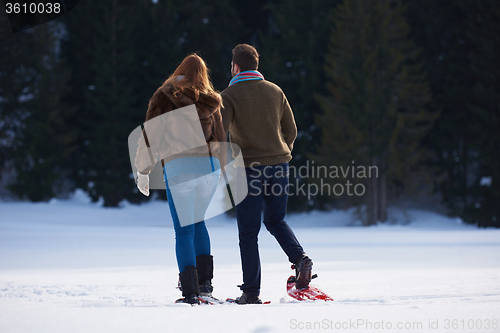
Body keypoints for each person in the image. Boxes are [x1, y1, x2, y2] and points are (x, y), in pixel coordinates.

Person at [220, 44, 313, 304]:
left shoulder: (229, 95)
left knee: (248, 232)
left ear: (235, 67)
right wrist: (281, 152)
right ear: (256, 66)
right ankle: (300, 258)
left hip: (248, 169)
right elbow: (291, 130)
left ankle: (251, 292)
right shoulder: (276, 91)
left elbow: (220, 134)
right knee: (275, 220)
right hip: (279, 166)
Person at [135, 54, 226, 304]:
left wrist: (143, 170)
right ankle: (205, 286)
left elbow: (150, 134)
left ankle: (191, 293)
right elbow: (220, 140)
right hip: (208, 168)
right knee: (199, 224)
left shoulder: (165, 94)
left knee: (183, 231)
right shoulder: (212, 101)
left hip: (179, 168)